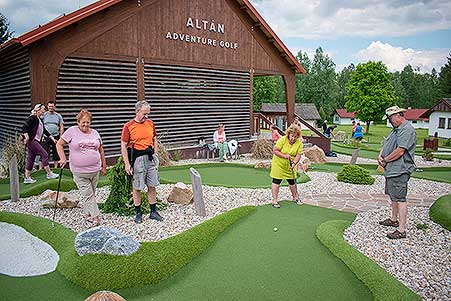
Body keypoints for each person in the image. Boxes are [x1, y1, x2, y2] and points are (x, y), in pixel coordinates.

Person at [56, 109, 106, 227]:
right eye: (83, 122)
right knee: (88, 195)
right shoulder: (71, 131)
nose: (85, 125)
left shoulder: (95, 133)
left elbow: (101, 150)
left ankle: (87, 214)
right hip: (79, 172)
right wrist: (63, 158)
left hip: (95, 170)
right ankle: (96, 217)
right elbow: (59, 144)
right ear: (78, 122)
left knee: (91, 195)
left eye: (88, 122)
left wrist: (104, 165)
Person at [121, 100, 163, 224]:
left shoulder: (150, 123)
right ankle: (138, 213)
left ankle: (153, 212)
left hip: (150, 157)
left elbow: (154, 139)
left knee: (152, 185)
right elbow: (123, 145)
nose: (147, 116)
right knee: (137, 187)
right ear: (137, 111)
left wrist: (155, 153)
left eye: (148, 114)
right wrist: (127, 164)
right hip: (137, 159)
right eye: (144, 114)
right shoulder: (128, 126)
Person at [378, 106, 416, 239]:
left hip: (400, 169)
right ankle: (393, 220)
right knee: (393, 196)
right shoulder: (395, 130)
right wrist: (380, 155)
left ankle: (401, 229)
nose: (389, 120)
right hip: (392, 169)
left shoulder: (407, 130)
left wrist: (385, 160)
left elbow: (400, 151)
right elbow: (386, 144)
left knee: (400, 199)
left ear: (399, 115)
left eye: (390, 117)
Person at [22, 103, 59, 184]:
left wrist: (52, 138)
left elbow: (44, 130)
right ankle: (49, 174)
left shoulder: (39, 119)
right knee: (45, 154)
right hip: (32, 141)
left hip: (34, 141)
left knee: (31, 159)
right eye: (43, 109)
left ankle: (27, 178)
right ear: (38, 110)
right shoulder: (33, 117)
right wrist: (27, 136)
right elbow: (24, 127)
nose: (44, 111)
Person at [269, 124, 303, 208]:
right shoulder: (282, 140)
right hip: (279, 164)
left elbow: (298, 155)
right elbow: (275, 151)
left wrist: (294, 163)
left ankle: (295, 197)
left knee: (292, 181)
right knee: (277, 180)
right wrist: (284, 155)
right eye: (292, 136)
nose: (293, 138)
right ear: (288, 134)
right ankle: (275, 201)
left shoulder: (299, 143)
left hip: (290, 164)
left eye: (295, 136)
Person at [42, 101, 64, 168]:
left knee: (56, 152)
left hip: (56, 136)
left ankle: (55, 167)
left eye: (52, 106)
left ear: (54, 107)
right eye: (49, 106)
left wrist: (61, 137)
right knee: (43, 152)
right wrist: (42, 135)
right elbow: (40, 125)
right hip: (46, 136)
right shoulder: (44, 115)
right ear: (47, 107)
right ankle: (41, 168)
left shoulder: (58, 116)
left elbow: (61, 126)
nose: (51, 108)